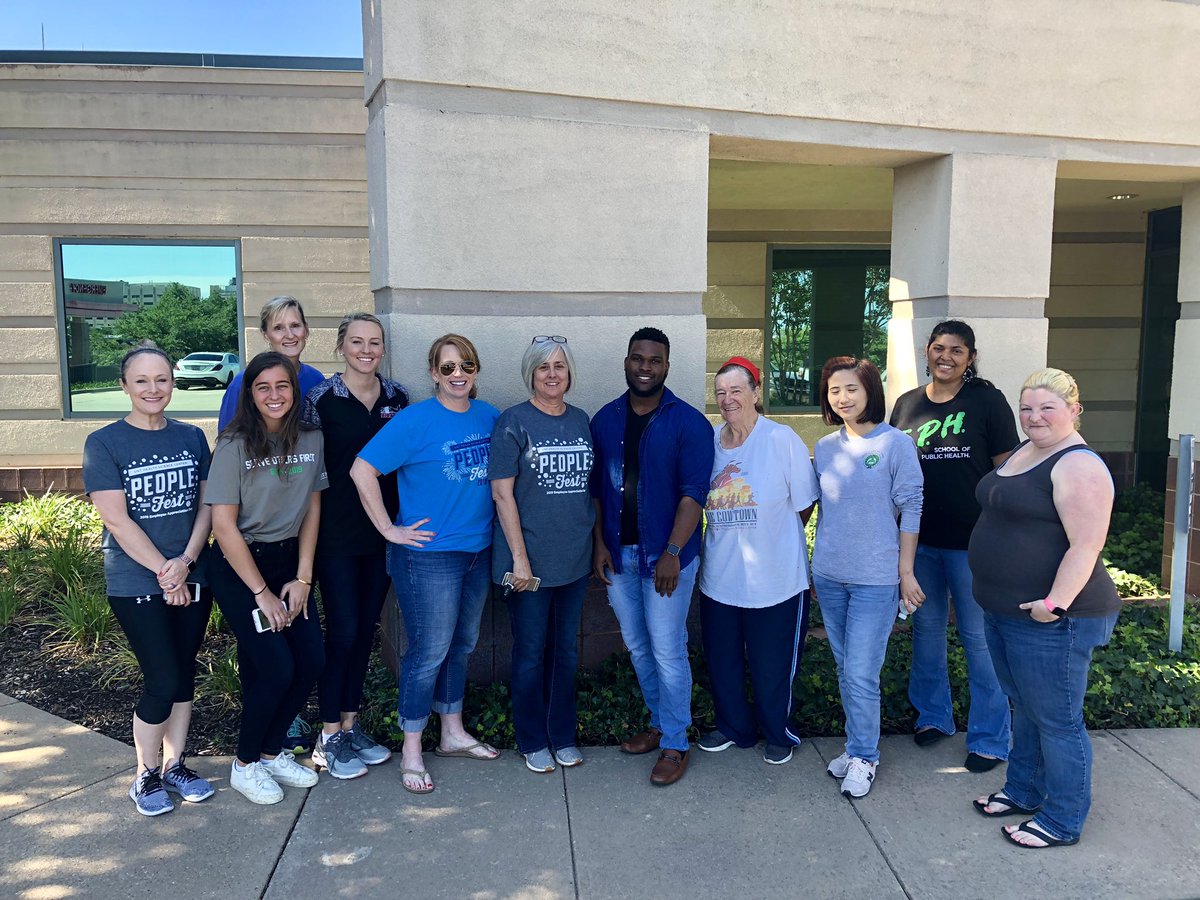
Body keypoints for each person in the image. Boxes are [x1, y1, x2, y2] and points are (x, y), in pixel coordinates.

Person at [969, 368, 1121, 849]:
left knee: (1056, 719)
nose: (1034, 417)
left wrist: (1053, 605)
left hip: (1055, 619)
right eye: (1027, 408)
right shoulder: (1027, 451)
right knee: (1027, 709)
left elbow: (1086, 546)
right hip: (1006, 612)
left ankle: (1062, 819)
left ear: (1075, 410)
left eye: (1046, 408)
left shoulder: (1079, 464)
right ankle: (1023, 790)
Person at [351, 333, 501, 795]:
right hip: (427, 557)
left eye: (467, 366)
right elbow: (362, 470)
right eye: (449, 367)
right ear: (434, 373)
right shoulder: (415, 421)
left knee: (461, 644)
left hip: (478, 551)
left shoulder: (490, 416)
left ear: (476, 372)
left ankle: (452, 733)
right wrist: (389, 530)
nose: (459, 375)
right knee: (427, 651)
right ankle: (412, 749)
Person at [83, 344, 216, 817]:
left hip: (192, 572)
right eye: (142, 381)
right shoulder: (104, 442)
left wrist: (186, 560)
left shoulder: (192, 437)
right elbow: (116, 520)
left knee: (183, 673)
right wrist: (166, 570)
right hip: (135, 581)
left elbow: (207, 506)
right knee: (161, 678)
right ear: (124, 386)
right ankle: (146, 773)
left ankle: (177, 764)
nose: (153, 389)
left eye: (161, 379)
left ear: (172, 383)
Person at [889, 320, 1018, 772]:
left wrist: (1002, 535)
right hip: (919, 545)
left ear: (971, 357)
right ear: (927, 351)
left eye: (957, 350)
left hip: (972, 545)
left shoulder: (986, 401)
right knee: (925, 633)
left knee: (978, 639)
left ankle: (990, 737)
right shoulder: (906, 405)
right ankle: (933, 717)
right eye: (939, 348)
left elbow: (1008, 471)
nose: (947, 356)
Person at [590, 327, 714, 786]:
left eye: (655, 360)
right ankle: (662, 723)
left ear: (667, 365)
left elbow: (693, 493)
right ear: (626, 361)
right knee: (639, 646)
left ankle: (677, 743)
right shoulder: (604, 419)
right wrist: (600, 543)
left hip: (667, 557)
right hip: (619, 556)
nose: (645, 366)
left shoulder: (689, 422)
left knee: (667, 649)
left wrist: (673, 553)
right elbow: (598, 491)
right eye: (638, 358)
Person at [206, 351, 327, 804]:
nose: (274, 395)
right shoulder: (234, 444)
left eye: (283, 386)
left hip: (289, 564)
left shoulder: (311, 438)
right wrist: (262, 593)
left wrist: (303, 578)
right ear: (250, 394)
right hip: (242, 568)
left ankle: (272, 752)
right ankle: (244, 764)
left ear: (295, 392)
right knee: (276, 668)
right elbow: (223, 526)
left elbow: (313, 508)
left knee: (311, 661)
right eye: (264, 387)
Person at [811, 356, 924, 799]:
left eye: (851, 389)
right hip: (830, 573)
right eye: (834, 390)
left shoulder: (896, 444)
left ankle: (865, 756)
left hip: (876, 578)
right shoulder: (823, 447)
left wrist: (905, 571)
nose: (842, 397)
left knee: (860, 670)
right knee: (845, 667)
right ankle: (856, 745)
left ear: (870, 391)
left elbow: (911, 507)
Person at [697, 357, 818, 766]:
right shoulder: (709, 441)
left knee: (773, 664)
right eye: (721, 393)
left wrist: (770, 537)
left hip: (776, 579)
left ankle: (776, 731)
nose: (728, 400)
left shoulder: (781, 439)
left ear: (755, 393)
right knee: (724, 660)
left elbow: (805, 505)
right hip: (720, 577)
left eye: (736, 391)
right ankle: (735, 727)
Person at [305, 313, 408, 779]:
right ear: (341, 346)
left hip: (384, 532)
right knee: (343, 633)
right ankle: (327, 737)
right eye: (356, 341)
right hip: (335, 534)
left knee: (365, 632)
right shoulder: (320, 398)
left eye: (375, 342)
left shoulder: (397, 397)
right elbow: (305, 464)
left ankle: (349, 725)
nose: (366, 350)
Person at [490, 335, 595, 773]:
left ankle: (562, 735)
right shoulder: (513, 422)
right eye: (543, 367)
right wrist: (520, 559)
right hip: (528, 563)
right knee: (530, 652)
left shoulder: (581, 419)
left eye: (560, 366)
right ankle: (532, 740)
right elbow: (502, 494)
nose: (553, 374)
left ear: (569, 373)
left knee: (565, 651)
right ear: (530, 373)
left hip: (574, 560)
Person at [218, 295, 324, 431]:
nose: (290, 335)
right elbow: (226, 440)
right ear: (266, 334)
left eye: (295, 325)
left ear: (306, 330)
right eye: (278, 328)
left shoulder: (316, 380)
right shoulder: (243, 383)